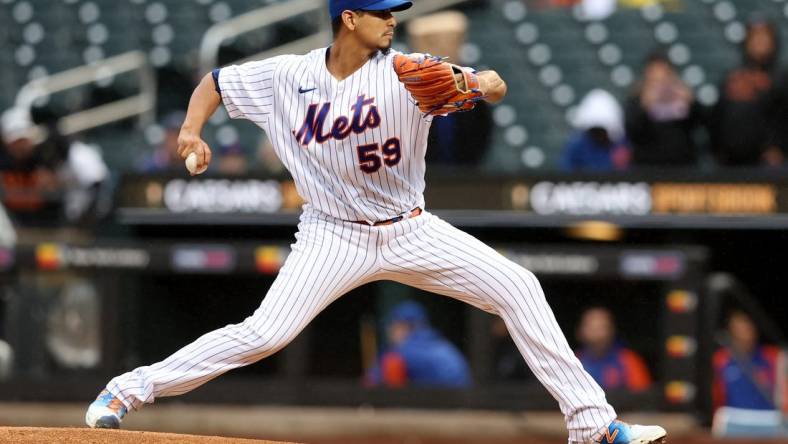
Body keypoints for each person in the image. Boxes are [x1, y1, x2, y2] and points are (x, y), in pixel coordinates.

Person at [85, 1, 666, 442]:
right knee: (264, 335)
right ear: (349, 19)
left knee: (519, 286)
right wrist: (191, 130)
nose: (393, 20)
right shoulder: (286, 77)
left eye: (395, 12)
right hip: (331, 234)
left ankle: (593, 426)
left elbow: (494, 85)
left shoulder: (409, 72)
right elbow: (215, 84)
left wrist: (476, 83)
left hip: (411, 229)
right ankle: (125, 391)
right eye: (382, 12)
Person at [406, 11, 493, 166]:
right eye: (434, 41)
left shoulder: (472, 94)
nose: (445, 47)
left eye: (452, 41)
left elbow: (480, 136)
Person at [710, 17, 783, 167]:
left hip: (770, 162)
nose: (759, 42)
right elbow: (717, 117)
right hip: (731, 162)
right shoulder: (733, 78)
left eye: (764, 37)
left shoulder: (782, 78)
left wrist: (779, 148)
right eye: (755, 37)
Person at [364, 300, 471, 387]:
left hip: (442, 408)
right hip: (464, 407)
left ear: (403, 326)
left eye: (393, 326)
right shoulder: (443, 344)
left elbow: (372, 383)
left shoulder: (403, 351)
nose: (390, 331)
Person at [625, 51, 703, 167]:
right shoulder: (637, 100)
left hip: (682, 166)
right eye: (654, 75)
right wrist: (644, 107)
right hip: (647, 167)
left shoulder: (682, 97)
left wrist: (691, 103)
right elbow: (633, 132)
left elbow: (699, 123)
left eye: (664, 75)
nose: (659, 80)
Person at [712, 310, 780, 410]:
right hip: (734, 419)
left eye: (749, 322)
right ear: (731, 327)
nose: (747, 327)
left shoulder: (773, 356)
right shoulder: (721, 359)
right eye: (742, 322)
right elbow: (715, 396)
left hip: (769, 419)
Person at [575, 308, 651, 393]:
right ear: (580, 331)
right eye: (591, 328)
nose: (597, 334)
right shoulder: (572, 361)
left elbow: (643, 397)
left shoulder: (628, 360)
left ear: (612, 330)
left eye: (602, 328)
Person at [561, 89, 630, 171]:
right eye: (595, 130)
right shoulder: (577, 145)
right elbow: (567, 171)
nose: (599, 134)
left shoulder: (620, 145)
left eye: (602, 130)